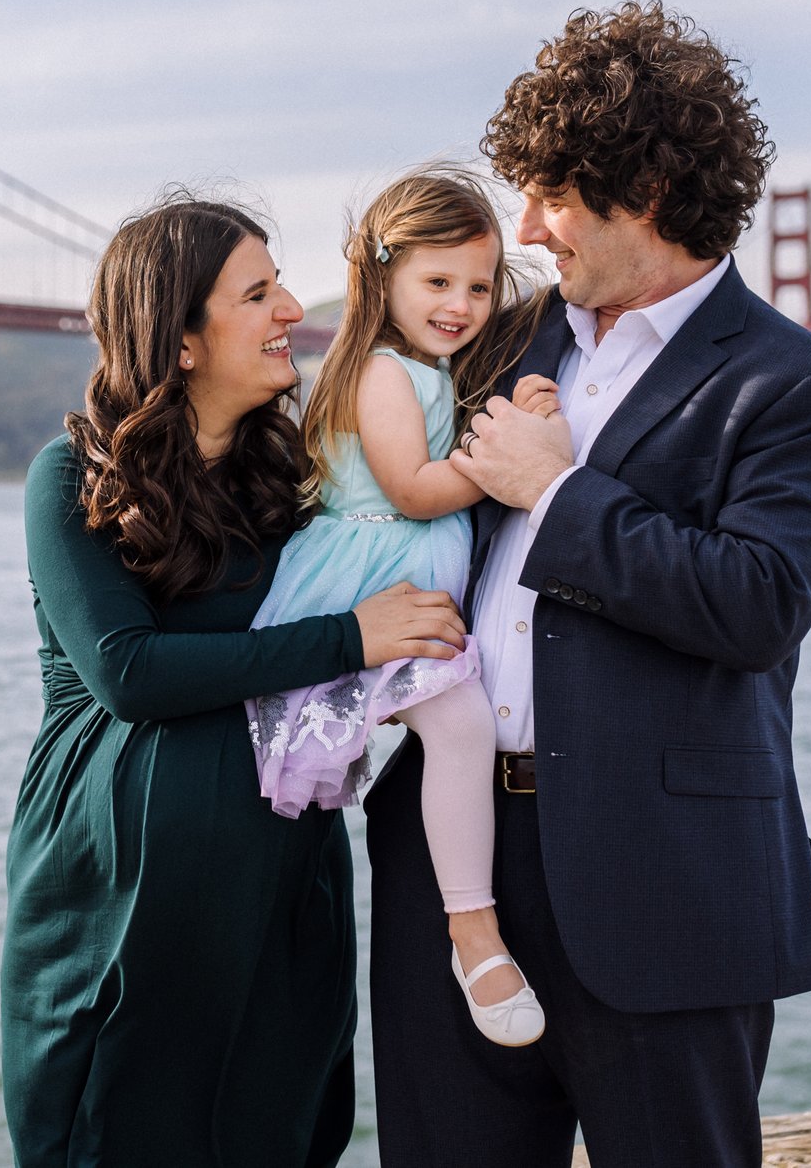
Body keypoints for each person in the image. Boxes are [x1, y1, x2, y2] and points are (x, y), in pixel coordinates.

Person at [365, 2, 811, 1168]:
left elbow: (757, 606)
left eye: (553, 193)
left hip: (665, 882)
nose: (527, 225)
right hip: (447, 870)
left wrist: (557, 497)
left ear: (643, 192)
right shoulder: (499, 340)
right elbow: (363, 450)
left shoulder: (795, 385)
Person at [1, 195, 470, 1168]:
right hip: (123, 889)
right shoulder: (72, 476)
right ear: (177, 340)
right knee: (118, 1128)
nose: (292, 309)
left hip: (285, 867)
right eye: (257, 293)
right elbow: (127, 672)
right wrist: (350, 637)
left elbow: (406, 541)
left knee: (286, 1122)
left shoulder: (292, 476)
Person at [245, 169, 550, 1047]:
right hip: (369, 578)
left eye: (480, 286)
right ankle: (472, 930)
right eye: (437, 281)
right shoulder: (383, 371)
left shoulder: (428, 368)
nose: (461, 304)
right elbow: (417, 490)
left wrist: (516, 410)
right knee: (460, 726)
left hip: (397, 583)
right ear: (384, 279)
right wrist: (517, 460)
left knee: (451, 727)